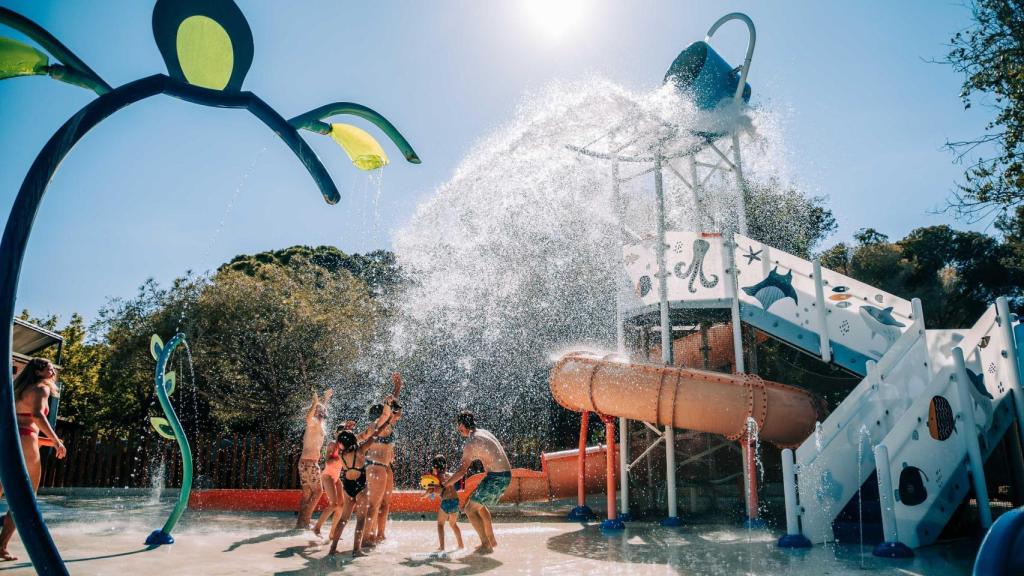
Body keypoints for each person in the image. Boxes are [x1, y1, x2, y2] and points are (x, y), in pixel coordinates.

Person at [0, 358, 67, 562]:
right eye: (49, 369)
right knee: (26, 495)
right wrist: (56, 441)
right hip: (26, 439)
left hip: (8, 438)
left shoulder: (19, 389)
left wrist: (47, 441)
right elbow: (37, 416)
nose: (53, 372)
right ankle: (1, 546)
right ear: (38, 372)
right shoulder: (41, 389)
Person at [328, 396, 397, 557]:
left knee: (344, 518)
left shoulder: (343, 454)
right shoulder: (360, 451)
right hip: (360, 486)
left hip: (348, 486)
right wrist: (384, 424)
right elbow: (374, 435)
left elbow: (346, 440)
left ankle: (332, 548)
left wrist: (345, 431)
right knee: (360, 518)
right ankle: (356, 550)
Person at [443, 410, 511, 555]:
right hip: (503, 475)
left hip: (496, 478)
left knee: (469, 509)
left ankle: (486, 545)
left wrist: (446, 484)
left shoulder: (471, 442)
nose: (457, 429)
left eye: (458, 425)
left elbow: (462, 472)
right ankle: (491, 540)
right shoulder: (484, 433)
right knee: (479, 506)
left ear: (461, 425)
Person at [363, 377, 403, 546]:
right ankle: (366, 537)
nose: (398, 415)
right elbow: (387, 408)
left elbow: (392, 409)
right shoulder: (378, 424)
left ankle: (380, 534)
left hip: (386, 467)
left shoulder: (388, 426)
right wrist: (395, 389)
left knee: (385, 503)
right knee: (374, 504)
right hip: (376, 467)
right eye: (394, 413)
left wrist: (397, 389)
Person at [312, 420, 355, 538]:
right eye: (340, 433)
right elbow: (328, 461)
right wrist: (340, 456)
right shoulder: (332, 444)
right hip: (327, 475)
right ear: (336, 433)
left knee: (341, 506)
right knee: (334, 504)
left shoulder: (345, 447)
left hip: (336, 478)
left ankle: (332, 533)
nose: (342, 435)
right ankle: (317, 528)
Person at [296, 388, 332, 529]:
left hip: (305, 462)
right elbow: (309, 417)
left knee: (307, 494)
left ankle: (301, 523)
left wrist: (325, 400)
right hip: (310, 463)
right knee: (317, 492)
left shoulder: (319, 423)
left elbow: (321, 410)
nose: (322, 411)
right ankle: (305, 521)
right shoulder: (314, 423)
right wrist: (315, 403)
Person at [426, 454, 463, 552]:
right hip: (455, 502)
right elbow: (457, 485)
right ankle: (461, 545)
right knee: (453, 524)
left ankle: (442, 547)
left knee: (440, 524)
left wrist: (428, 494)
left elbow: (437, 491)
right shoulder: (451, 475)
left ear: (434, 468)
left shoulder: (437, 478)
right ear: (446, 465)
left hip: (446, 502)